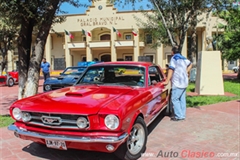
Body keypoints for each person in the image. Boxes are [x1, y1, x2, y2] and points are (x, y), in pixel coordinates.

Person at [163, 46, 192, 121]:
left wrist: (166, 81)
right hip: (184, 82)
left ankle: (179, 116)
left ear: (173, 52)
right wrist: (186, 71)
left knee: (175, 99)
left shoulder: (174, 58)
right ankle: (182, 114)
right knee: (182, 99)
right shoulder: (183, 58)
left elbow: (171, 70)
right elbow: (190, 64)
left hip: (177, 83)